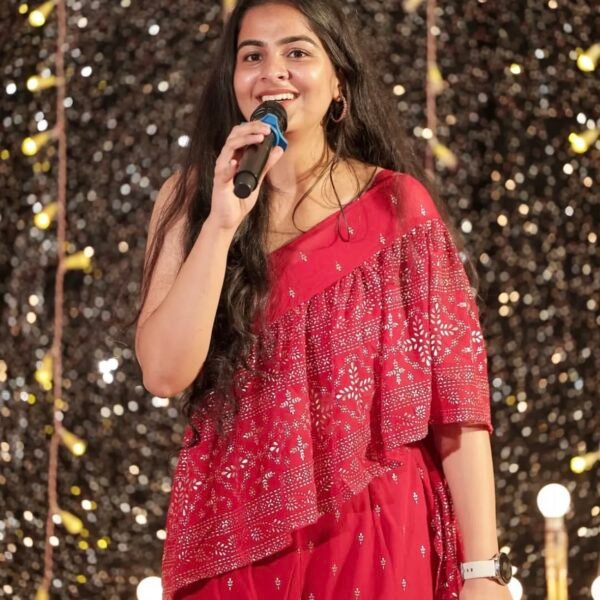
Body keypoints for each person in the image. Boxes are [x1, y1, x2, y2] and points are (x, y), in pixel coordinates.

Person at [134, 1, 513, 599]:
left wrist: (482, 571)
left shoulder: (397, 205)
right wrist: (222, 223)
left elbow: (457, 400)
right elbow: (163, 371)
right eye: (252, 56)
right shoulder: (192, 199)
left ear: (338, 81)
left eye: (297, 52)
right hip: (234, 538)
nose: (273, 72)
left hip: (376, 531)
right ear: (233, 80)